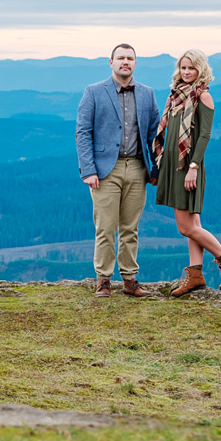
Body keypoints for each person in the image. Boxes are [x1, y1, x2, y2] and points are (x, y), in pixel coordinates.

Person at [153, 49, 221, 296]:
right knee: (193, 222)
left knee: (185, 227)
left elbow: (204, 135)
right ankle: (195, 275)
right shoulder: (177, 95)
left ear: (200, 69)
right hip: (173, 164)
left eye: (191, 68)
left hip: (188, 166)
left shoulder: (203, 97)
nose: (187, 72)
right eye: (183, 68)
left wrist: (193, 167)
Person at [76, 43, 160, 298]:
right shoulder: (93, 91)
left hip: (137, 168)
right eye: (121, 58)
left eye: (130, 58)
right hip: (104, 171)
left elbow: (155, 135)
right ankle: (103, 280)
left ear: (136, 63)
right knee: (105, 226)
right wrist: (88, 170)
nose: (126, 62)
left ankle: (130, 280)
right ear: (110, 62)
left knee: (130, 227)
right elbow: (83, 132)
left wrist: (156, 168)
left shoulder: (147, 93)